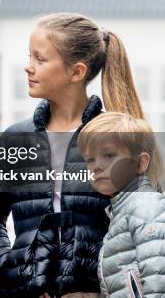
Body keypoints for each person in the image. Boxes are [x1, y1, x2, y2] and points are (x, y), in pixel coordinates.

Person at [0, 13, 144, 297]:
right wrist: (14, 274)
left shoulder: (115, 138)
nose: (28, 67)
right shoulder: (16, 138)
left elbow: (138, 222)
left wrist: (99, 285)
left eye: (40, 59)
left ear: (76, 72)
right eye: (30, 57)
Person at [79, 112, 165, 297]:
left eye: (109, 155)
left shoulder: (146, 207)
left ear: (141, 163)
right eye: (90, 159)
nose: (96, 166)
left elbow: (158, 282)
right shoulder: (120, 211)